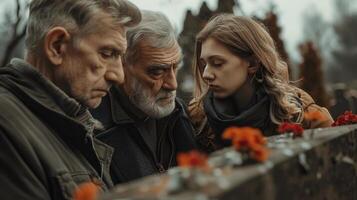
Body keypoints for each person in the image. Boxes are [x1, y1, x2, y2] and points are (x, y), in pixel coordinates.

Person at [0, 0, 140, 199]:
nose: (118, 76)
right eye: (107, 54)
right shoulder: (7, 126)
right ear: (56, 46)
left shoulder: (66, 119)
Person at [188, 14, 333, 152]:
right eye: (204, 64)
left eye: (217, 63)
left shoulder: (304, 116)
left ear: (252, 63)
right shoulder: (196, 117)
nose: (206, 74)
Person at [91, 10, 196, 184]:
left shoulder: (179, 113)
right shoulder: (93, 130)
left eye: (175, 67)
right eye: (157, 71)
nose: (172, 84)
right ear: (121, 66)